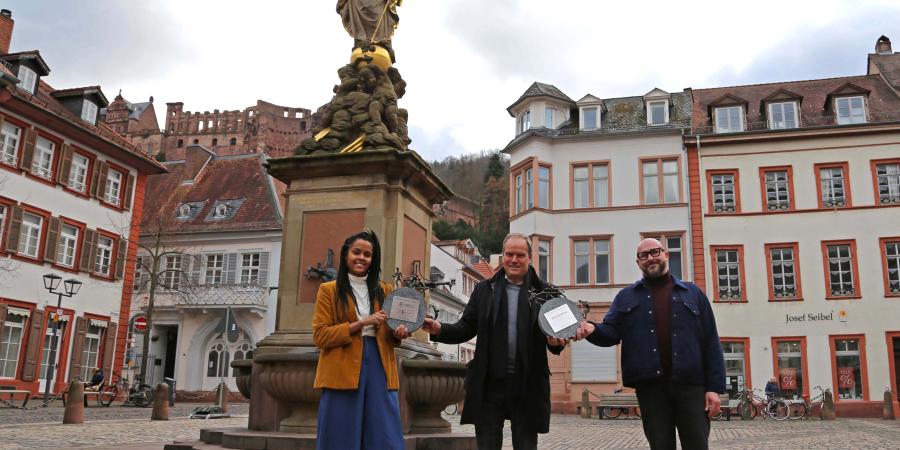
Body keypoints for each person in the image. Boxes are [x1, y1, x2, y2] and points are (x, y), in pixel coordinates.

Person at [573, 238, 725, 450]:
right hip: (651, 389)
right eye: (643, 256)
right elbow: (611, 332)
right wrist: (592, 329)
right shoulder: (626, 297)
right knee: (660, 445)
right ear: (638, 263)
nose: (650, 258)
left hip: (691, 387)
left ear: (665, 255)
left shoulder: (693, 293)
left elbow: (710, 341)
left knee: (697, 445)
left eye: (654, 252)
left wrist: (714, 388)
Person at [422, 233, 567, 450]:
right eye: (509, 254)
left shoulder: (546, 292)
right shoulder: (484, 290)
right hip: (489, 385)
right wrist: (439, 328)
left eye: (520, 254)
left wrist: (557, 343)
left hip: (528, 385)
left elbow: (556, 336)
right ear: (503, 258)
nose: (514, 259)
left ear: (529, 257)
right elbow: (465, 328)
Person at [313, 229, 410, 450]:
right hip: (341, 366)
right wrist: (361, 323)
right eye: (357, 252)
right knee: (340, 434)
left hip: (380, 363)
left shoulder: (385, 289)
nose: (362, 258)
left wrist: (399, 333)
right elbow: (320, 336)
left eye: (367, 255)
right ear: (346, 254)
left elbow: (390, 333)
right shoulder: (328, 290)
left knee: (383, 433)